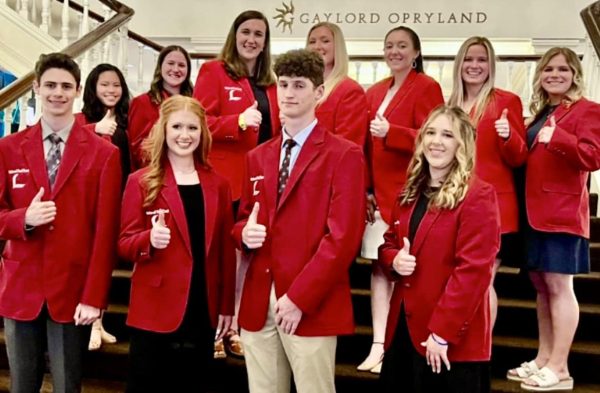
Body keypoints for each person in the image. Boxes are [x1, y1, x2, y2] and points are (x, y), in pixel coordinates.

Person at [232, 49, 366, 393]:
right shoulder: (257, 156)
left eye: (300, 85)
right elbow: (245, 219)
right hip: (259, 297)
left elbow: (343, 238)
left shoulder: (344, 154)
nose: (289, 93)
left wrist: (299, 298)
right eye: (284, 84)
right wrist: (245, 232)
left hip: (311, 302)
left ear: (318, 93)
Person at [0, 53, 122, 393]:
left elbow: (105, 232)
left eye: (66, 86)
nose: (58, 93)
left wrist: (95, 297)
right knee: (22, 384)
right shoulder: (7, 148)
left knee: (69, 384)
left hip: (73, 288)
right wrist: (22, 218)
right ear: (37, 87)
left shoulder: (104, 154)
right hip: (21, 285)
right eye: (50, 85)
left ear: (79, 91)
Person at [378, 105, 500, 393]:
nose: (436, 141)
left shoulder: (478, 195)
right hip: (404, 331)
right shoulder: (410, 191)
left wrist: (443, 333)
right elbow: (389, 242)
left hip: (448, 339)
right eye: (430, 133)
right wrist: (394, 260)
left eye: (447, 135)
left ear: (462, 144)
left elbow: (473, 271)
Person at [118, 95, 236, 393]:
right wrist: (149, 239)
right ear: (164, 130)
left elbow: (224, 252)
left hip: (202, 305)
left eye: (193, 128)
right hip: (154, 307)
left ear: (203, 133)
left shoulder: (219, 185)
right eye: (178, 127)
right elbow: (124, 243)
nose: (185, 135)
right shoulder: (140, 181)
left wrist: (226, 306)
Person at [507, 47, 600, 392]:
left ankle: (560, 367)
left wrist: (558, 137)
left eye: (563, 69)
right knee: (542, 288)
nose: (555, 75)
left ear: (575, 74)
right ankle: (544, 357)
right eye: (548, 69)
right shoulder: (540, 113)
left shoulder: (587, 111)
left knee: (560, 288)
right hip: (533, 215)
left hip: (561, 215)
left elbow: (593, 157)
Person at [193, 9, 280, 359]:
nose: (252, 39)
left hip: (260, 185)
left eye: (259, 34)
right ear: (235, 34)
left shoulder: (272, 84)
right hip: (224, 181)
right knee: (219, 259)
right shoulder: (214, 71)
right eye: (246, 31)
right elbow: (196, 124)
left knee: (247, 261)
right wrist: (236, 121)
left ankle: (237, 328)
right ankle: (215, 328)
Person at [360, 26, 444, 373]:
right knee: (381, 267)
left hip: (410, 192)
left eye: (402, 46)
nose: (395, 51)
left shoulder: (427, 87)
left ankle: (400, 344)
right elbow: (363, 145)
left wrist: (392, 133)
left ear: (416, 52)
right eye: (389, 45)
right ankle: (378, 343)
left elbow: (436, 139)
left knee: (406, 269)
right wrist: (364, 189)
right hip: (378, 195)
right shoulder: (376, 90)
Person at [448, 36, 527, 329]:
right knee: (462, 280)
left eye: (482, 60)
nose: (474, 65)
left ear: (491, 65)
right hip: (455, 204)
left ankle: (481, 351)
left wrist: (508, 135)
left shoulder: (506, 101)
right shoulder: (450, 103)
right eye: (469, 59)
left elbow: (519, 158)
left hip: (495, 208)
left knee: (482, 281)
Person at [78, 62, 133, 351]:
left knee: (106, 264)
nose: (111, 90)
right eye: (104, 85)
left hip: (119, 203)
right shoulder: (80, 119)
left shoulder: (125, 120)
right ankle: (90, 324)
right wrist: (93, 129)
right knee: (89, 262)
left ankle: (99, 320)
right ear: (92, 88)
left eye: (116, 85)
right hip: (88, 204)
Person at [128, 45, 193, 169]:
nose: (175, 69)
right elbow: (137, 149)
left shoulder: (195, 102)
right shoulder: (142, 102)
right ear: (160, 67)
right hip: (155, 173)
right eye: (170, 63)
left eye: (181, 65)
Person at [306, 22, 368, 146]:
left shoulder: (350, 91)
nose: (317, 46)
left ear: (337, 46)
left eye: (325, 41)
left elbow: (348, 145)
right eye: (312, 42)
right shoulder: (301, 88)